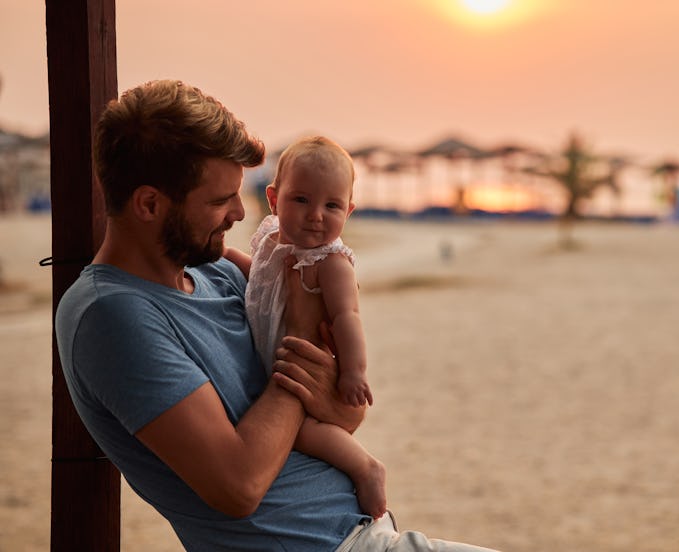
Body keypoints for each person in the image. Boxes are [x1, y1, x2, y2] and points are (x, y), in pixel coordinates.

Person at [55, 79, 498, 552]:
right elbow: (239, 486)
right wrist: (299, 332)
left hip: (367, 533)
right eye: (219, 200)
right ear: (149, 204)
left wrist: (327, 389)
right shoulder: (113, 316)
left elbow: (347, 414)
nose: (237, 214)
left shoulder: (222, 274)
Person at [224, 135, 385, 519]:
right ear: (274, 199)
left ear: (348, 211)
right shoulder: (270, 239)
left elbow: (348, 317)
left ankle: (365, 468)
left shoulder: (330, 264)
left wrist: (353, 372)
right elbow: (261, 279)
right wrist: (228, 256)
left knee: (303, 432)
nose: (316, 215)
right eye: (301, 200)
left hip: (309, 367)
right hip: (276, 359)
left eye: (331, 206)